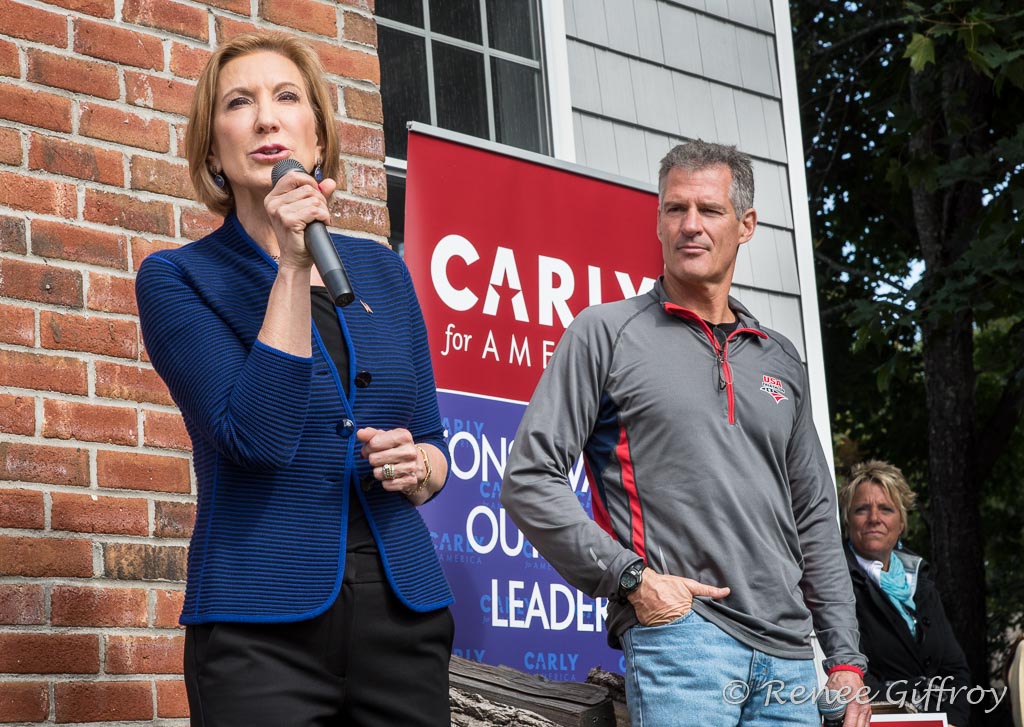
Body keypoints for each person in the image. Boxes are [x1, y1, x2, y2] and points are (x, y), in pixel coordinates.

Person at [135, 31, 454, 726]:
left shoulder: (384, 272)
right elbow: (257, 436)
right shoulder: (177, 278)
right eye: (239, 103)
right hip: (258, 630)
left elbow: (434, 449)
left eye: (286, 97)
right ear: (213, 149)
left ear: (317, 135)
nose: (266, 118)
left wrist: (418, 464)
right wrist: (289, 264)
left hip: (403, 617)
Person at [501, 140, 870, 726]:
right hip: (684, 643)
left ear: (746, 224)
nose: (690, 226)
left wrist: (846, 660)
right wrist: (632, 580)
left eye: (709, 210)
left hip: (792, 661)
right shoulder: (606, 333)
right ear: (658, 221)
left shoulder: (780, 360)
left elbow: (815, 518)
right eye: (675, 209)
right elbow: (528, 479)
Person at [839, 460, 971, 726]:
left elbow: (955, 670)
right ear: (847, 520)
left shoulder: (920, 580)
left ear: (901, 523)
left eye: (886, 509)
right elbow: (853, 672)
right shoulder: (836, 582)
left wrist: (950, 722)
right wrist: (918, 700)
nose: (874, 519)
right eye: (862, 509)